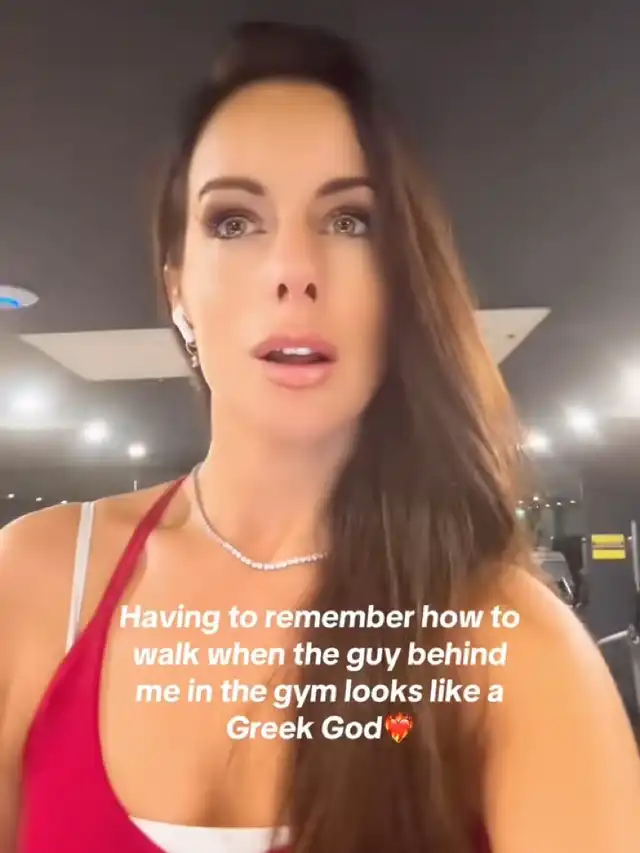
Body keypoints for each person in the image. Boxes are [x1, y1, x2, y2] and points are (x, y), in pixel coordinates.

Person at [1, 20, 639, 853]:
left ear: (401, 285)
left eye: (349, 221)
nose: (292, 269)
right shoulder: (34, 580)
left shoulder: (509, 644)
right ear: (178, 290)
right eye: (234, 221)